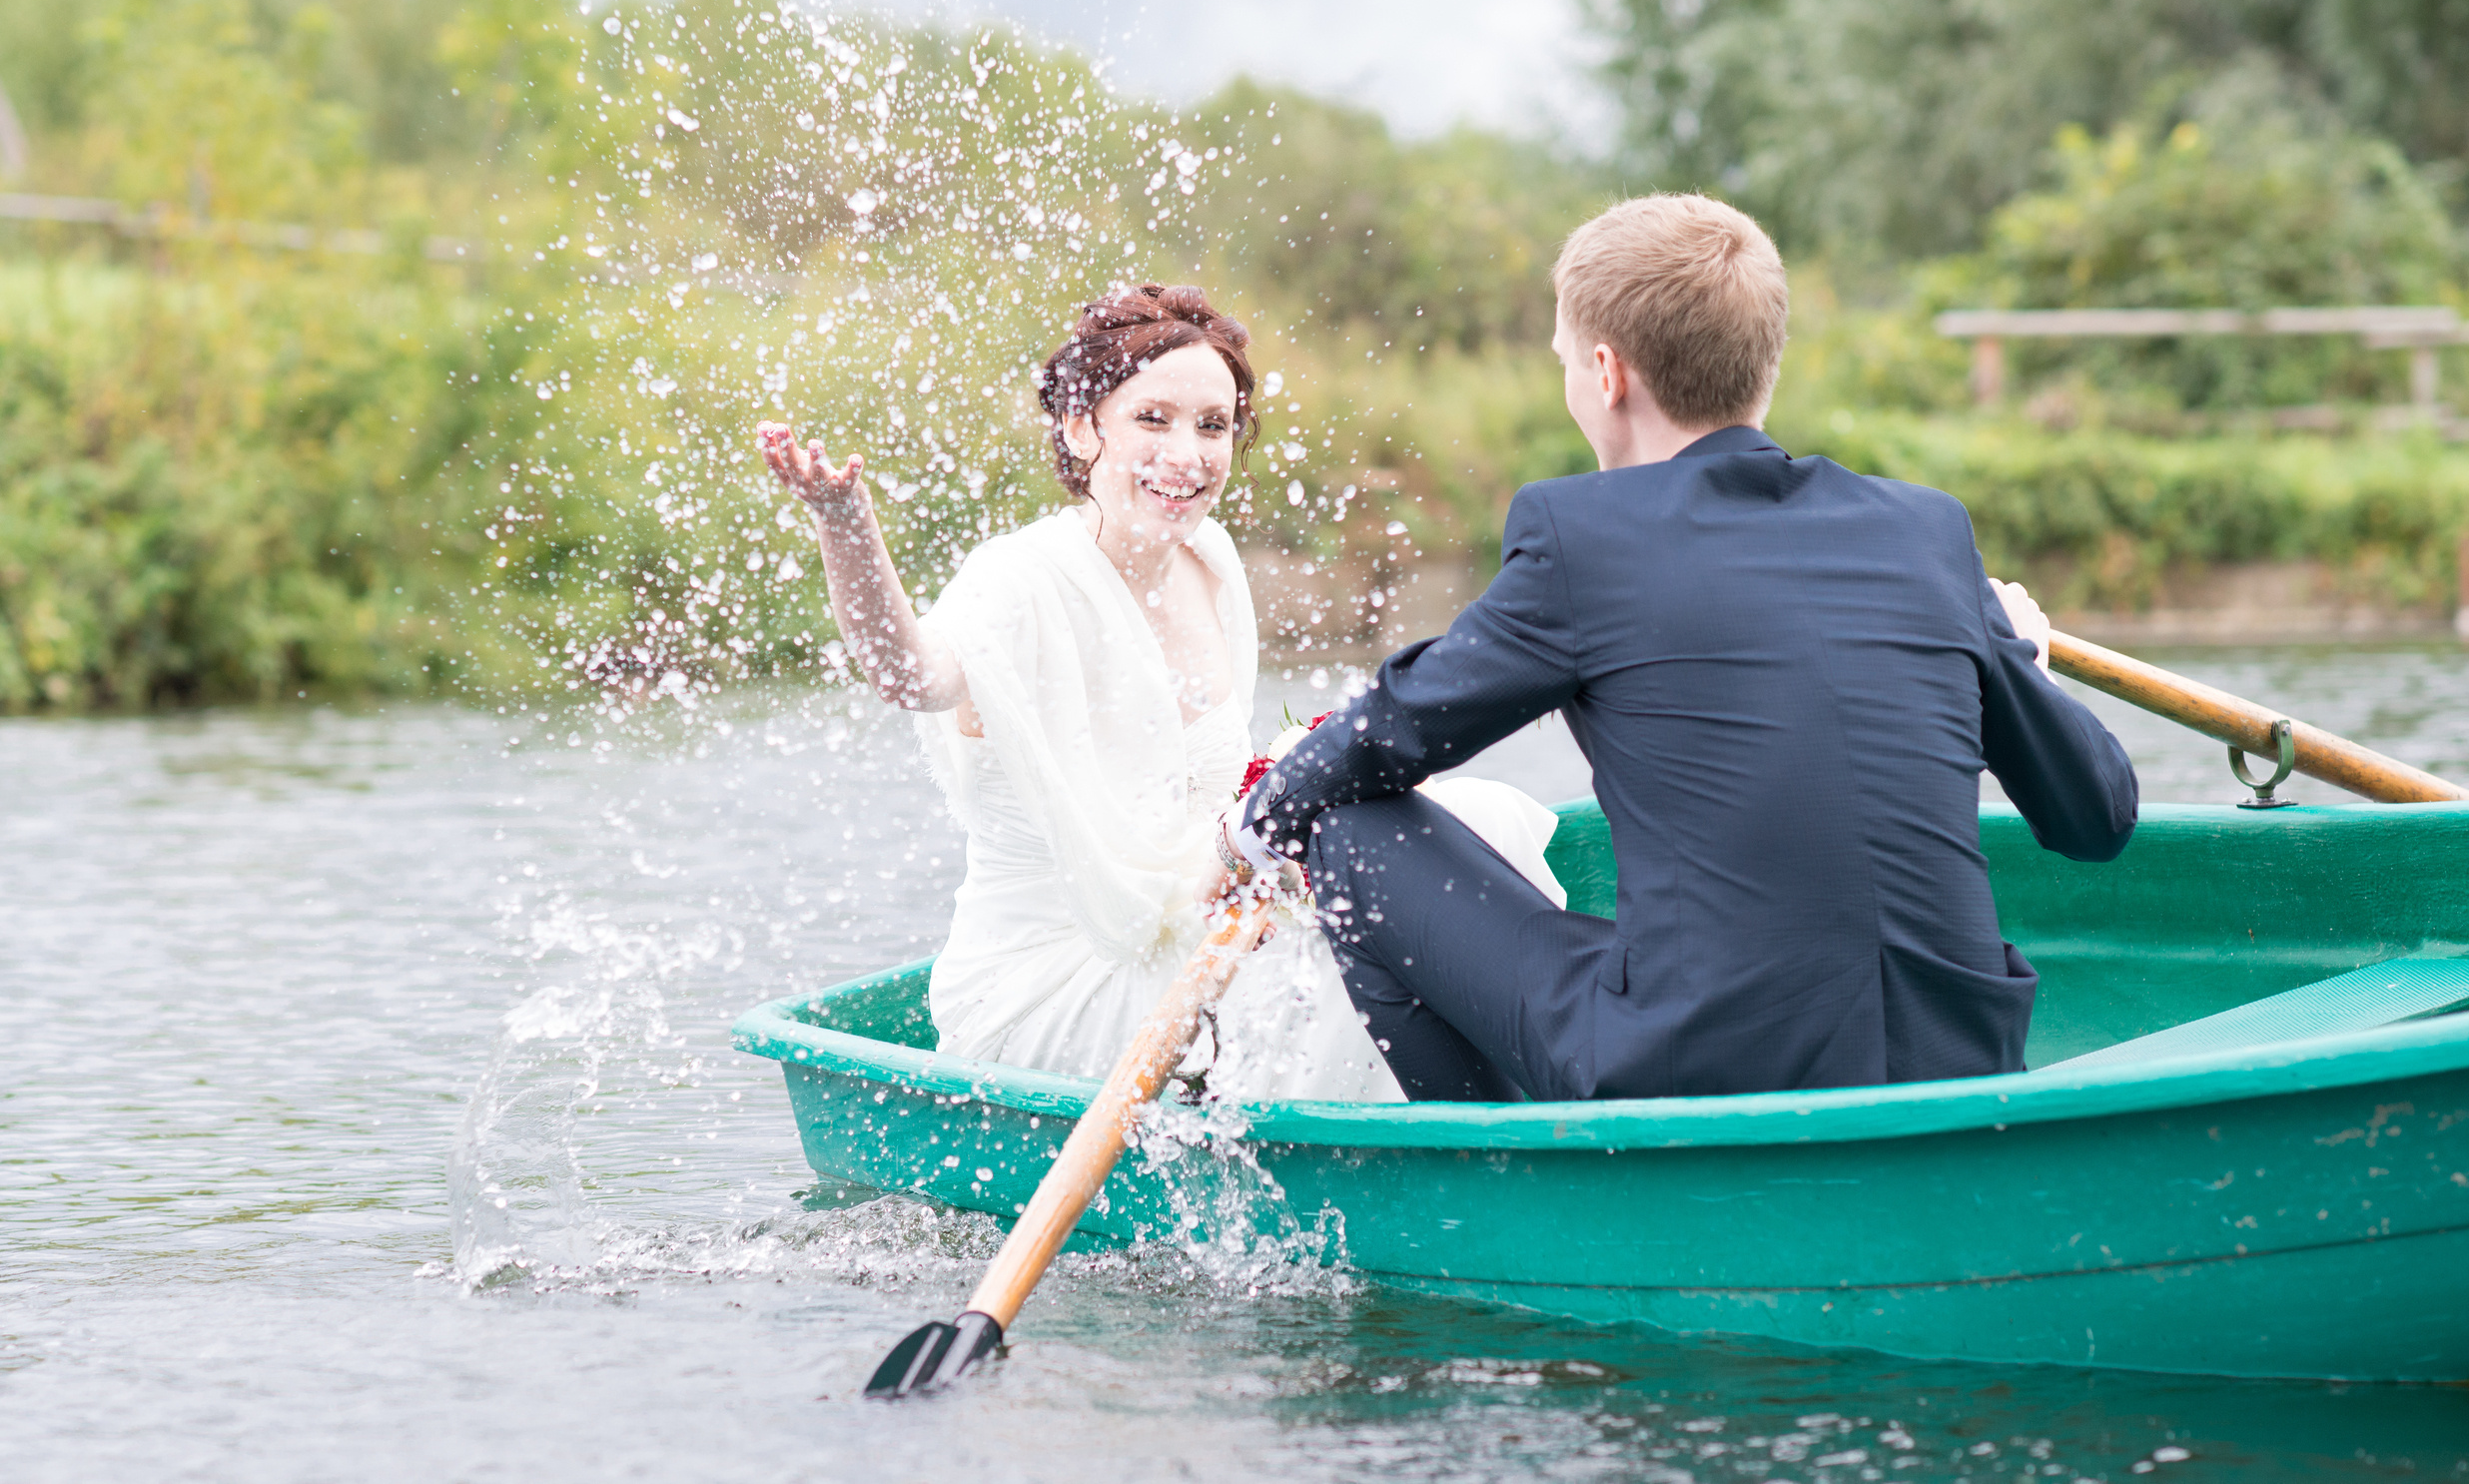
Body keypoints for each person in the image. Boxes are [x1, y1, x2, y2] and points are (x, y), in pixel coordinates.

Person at [1233, 195, 2138, 1104]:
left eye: (1562, 363)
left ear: (1605, 372)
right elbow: (2096, 818)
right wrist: (2015, 659)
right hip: (1958, 1059)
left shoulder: (1580, 535)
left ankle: (1505, 1176)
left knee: (1346, 829)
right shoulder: (1926, 534)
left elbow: (1389, 732)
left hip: (1706, 1061)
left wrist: (1252, 828)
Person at [758, 284, 1565, 1104]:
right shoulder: (1021, 578)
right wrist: (843, 521)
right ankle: (1476, 1137)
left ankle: (1532, 1109)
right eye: (1153, 419)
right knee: (1330, 968)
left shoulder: (1210, 564)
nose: (1188, 453)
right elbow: (910, 675)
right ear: (1081, 426)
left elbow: (1213, 796)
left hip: (1199, 929)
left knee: (1483, 817)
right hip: (1054, 984)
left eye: (1213, 425)